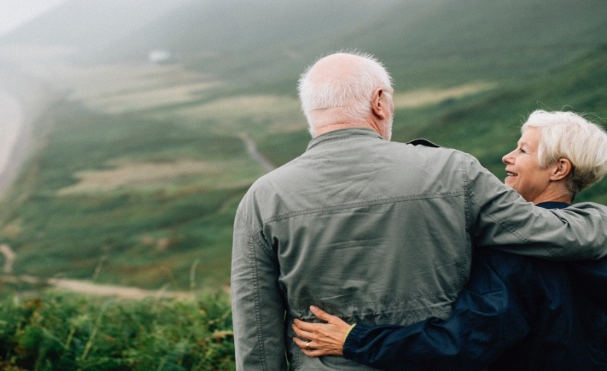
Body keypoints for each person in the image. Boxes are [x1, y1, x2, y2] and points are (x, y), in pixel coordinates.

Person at [231, 52, 607, 370]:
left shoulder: (262, 197)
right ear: (379, 101)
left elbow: (256, 333)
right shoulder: (452, 171)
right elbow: (550, 234)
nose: (509, 157)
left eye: (523, 150)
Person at [291, 110, 607, 370]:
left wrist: (353, 340)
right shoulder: (598, 240)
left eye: (523, 150)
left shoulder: (514, 253)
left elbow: (462, 344)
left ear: (559, 169)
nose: (507, 157)